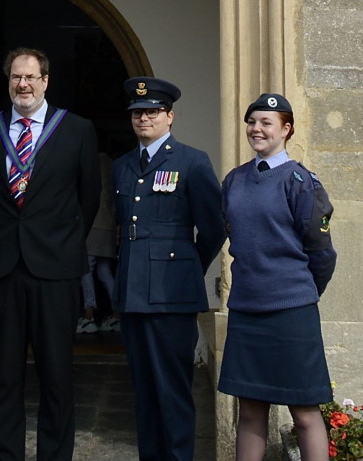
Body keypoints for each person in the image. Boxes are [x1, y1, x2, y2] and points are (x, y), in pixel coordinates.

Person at [0, 47, 101, 460]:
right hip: (2, 270)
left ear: (46, 81)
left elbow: (90, 199)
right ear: (8, 81)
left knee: (58, 378)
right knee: (4, 379)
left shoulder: (77, 130)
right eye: (15, 77)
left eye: (30, 77)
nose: (22, 84)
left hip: (55, 270)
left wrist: (58, 238)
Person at [111, 77, 226, 461]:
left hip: (172, 296)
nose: (144, 119)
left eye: (152, 112)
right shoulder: (123, 166)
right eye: (137, 113)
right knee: (143, 393)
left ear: (169, 116)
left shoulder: (192, 161)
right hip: (133, 294)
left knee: (173, 392)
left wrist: (186, 267)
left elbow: (213, 227)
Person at [218, 93, 336, 461]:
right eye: (252, 122)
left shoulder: (302, 182)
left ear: (286, 129)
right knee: (251, 410)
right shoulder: (234, 180)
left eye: (266, 123)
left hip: (291, 314)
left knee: (304, 411)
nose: (257, 129)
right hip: (247, 309)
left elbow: (321, 253)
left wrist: (297, 294)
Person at [77, 151, 119, 334]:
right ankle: (117, 315)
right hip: (109, 223)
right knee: (104, 271)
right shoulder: (114, 164)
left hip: (92, 223)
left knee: (86, 269)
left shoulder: (89, 160)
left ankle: (88, 316)